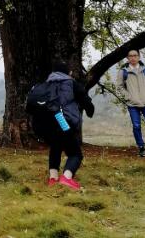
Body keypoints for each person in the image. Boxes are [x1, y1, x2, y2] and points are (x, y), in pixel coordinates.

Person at [27, 61, 95, 191]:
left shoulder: (45, 84)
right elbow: (86, 102)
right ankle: (66, 178)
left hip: (43, 125)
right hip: (62, 121)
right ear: (68, 72)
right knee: (75, 154)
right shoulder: (71, 84)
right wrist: (90, 110)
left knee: (56, 146)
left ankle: (53, 178)